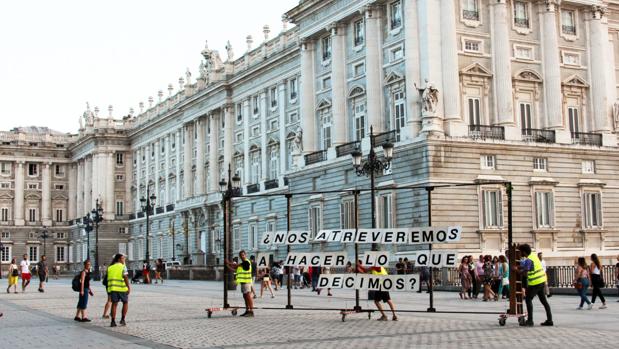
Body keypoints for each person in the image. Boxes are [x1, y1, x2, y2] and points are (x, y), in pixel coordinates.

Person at [518, 244, 553, 326]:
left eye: (520, 252)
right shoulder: (533, 256)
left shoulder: (529, 259)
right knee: (544, 301)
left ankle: (530, 321)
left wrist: (517, 270)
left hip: (535, 283)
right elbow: (528, 267)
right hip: (541, 281)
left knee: (528, 299)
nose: (520, 253)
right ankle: (550, 320)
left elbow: (526, 273)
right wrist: (520, 267)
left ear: (524, 252)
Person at [225, 250, 254, 317]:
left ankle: (251, 311)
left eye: (243, 255)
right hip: (243, 282)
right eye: (241, 255)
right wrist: (228, 266)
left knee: (248, 296)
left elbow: (236, 265)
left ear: (245, 255)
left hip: (247, 282)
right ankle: (247, 310)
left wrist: (228, 262)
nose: (242, 256)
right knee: (245, 296)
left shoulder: (246, 262)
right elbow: (235, 269)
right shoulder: (243, 263)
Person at [107, 254, 131, 327]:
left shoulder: (110, 267)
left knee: (114, 304)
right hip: (122, 288)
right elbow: (125, 277)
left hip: (113, 288)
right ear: (119, 259)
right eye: (123, 258)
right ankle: (122, 320)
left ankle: (113, 321)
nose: (124, 260)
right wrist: (128, 287)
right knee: (125, 303)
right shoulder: (123, 267)